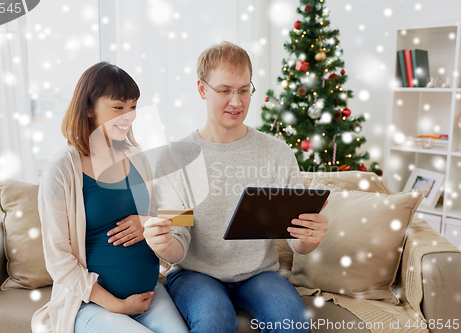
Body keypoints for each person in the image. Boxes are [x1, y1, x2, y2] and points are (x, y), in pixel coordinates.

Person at [144, 42, 329, 332]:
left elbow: (298, 243)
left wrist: (310, 237)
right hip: (196, 275)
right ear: (202, 89)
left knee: (292, 325)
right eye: (225, 90)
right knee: (213, 322)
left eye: (244, 90)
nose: (236, 101)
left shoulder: (276, 153)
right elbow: (177, 245)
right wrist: (164, 244)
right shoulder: (175, 158)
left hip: (259, 275)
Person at [31, 62, 188, 333]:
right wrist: (116, 305)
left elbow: (184, 215)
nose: (129, 116)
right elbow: (58, 259)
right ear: (89, 108)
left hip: (148, 296)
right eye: (118, 107)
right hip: (90, 305)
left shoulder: (138, 158)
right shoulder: (61, 169)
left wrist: (147, 221)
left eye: (134, 106)